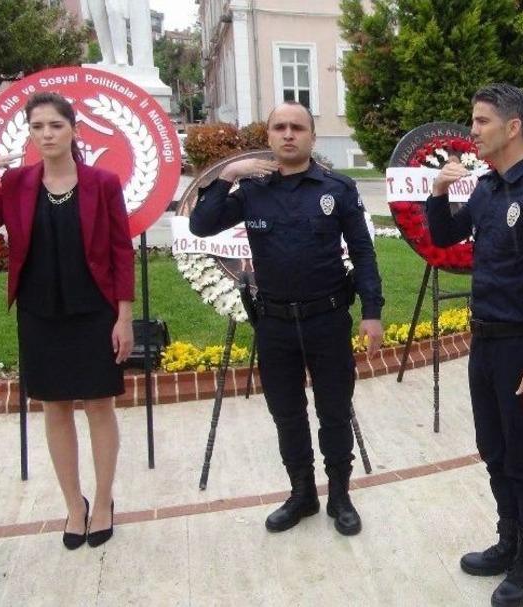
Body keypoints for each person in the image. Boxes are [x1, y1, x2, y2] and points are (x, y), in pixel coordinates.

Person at [190, 101, 384, 537]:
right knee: (287, 415)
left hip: (327, 320)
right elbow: (202, 225)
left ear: (312, 137)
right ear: (270, 137)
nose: (289, 134)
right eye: (280, 127)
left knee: (334, 412)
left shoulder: (338, 188)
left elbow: (363, 252)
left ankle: (339, 494)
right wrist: (227, 176)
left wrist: (371, 311)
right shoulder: (253, 191)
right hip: (274, 325)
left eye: (298, 127)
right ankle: (301, 493)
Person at [426, 83, 523, 607]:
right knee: (494, 451)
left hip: (521, 348)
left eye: (481, 121)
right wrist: (439, 192)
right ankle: (508, 539)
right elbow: (444, 238)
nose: (472, 131)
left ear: (513, 127)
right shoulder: (487, 189)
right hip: (484, 342)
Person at [0, 92, 135, 550]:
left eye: (55, 125)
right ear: (29, 134)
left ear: (74, 130)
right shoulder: (16, 184)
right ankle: (74, 505)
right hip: (39, 312)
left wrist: (123, 317)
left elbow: (121, 251)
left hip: (94, 312)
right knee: (55, 408)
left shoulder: (102, 183)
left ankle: (104, 501)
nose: (46, 134)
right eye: (37, 127)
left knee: (99, 405)